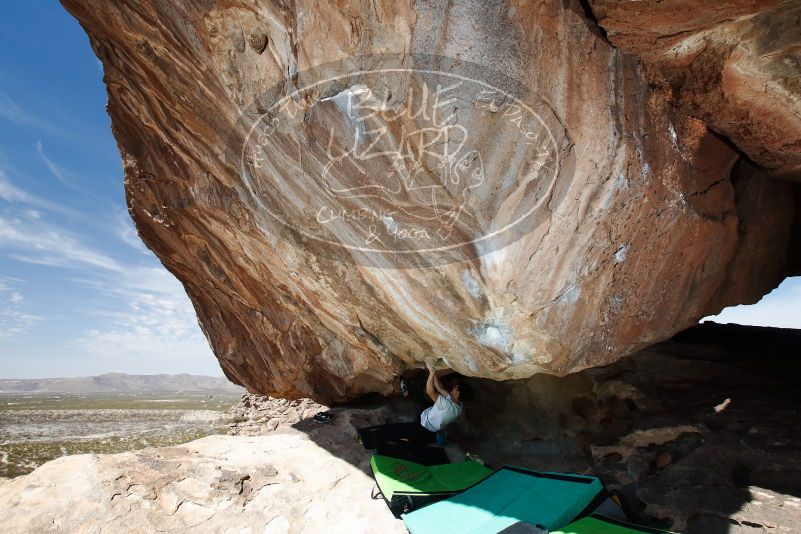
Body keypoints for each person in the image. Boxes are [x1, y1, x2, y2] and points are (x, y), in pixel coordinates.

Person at [404, 361, 474, 444]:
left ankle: (406, 387)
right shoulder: (458, 405)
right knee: (424, 398)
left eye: (456, 387)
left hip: (425, 424)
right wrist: (434, 372)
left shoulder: (447, 405)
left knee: (416, 391)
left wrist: (431, 374)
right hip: (432, 414)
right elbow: (440, 388)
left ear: (457, 393)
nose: (453, 387)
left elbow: (430, 392)